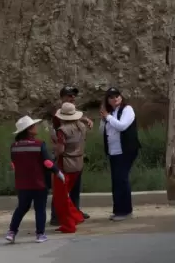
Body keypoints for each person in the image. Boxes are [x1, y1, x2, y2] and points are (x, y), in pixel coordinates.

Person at [6, 116, 63, 244]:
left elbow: (14, 163)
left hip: (22, 184)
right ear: (29, 130)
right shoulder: (39, 144)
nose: (36, 127)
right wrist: (57, 172)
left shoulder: (14, 146)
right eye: (33, 126)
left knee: (21, 208)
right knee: (40, 209)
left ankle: (12, 232)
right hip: (39, 183)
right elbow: (47, 162)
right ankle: (40, 234)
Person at [50, 85, 93, 224]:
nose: (72, 98)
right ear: (62, 97)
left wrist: (84, 119)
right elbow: (61, 134)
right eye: (69, 95)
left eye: (74, 95)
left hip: (75, 157)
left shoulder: (72, 112)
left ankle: (74, 211)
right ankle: (57, 215)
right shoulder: (58, 115)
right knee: (61, 188)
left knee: (73, 187)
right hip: (65, 156)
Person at [100, 87, 140, 221]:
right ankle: (118, 210)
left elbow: (122, 126)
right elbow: (102, 131)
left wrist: (108, 117)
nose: (115, 98)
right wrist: (103, 119)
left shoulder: (127, 109)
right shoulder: (110, 113)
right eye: (111, 97)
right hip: (113, 151)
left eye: (117, 96)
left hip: (126, 150)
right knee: (116, 181)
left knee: (122, 179)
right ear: (108, 100)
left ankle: (126, 211)